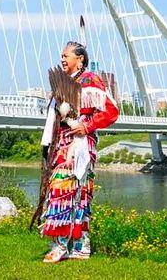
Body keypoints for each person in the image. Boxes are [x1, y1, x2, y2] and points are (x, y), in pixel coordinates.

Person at [36, 41, 119, 263]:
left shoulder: (91, 80)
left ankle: (80, 245)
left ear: (80, 58)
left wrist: (88, 125)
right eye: (61, 56)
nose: (62, 59)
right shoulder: (63, 83)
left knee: (78, 193)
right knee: (60, 190)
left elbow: (112, 111)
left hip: (81, 143)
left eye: (66, 56)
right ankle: (61, 243)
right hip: (61, 142)